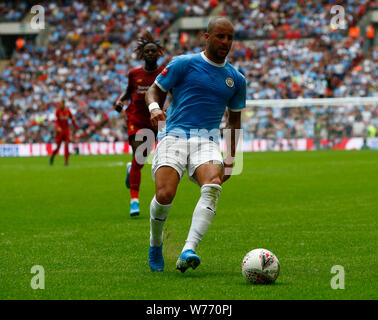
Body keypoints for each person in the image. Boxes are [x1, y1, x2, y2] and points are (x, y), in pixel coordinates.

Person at [145, 17, 246, 272]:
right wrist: (155, 108)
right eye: (220, 36)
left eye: (230, 38)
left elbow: (234, 122)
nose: (225, 42)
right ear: (207, 36)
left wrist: (232, 158)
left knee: (213, 185)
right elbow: (153, 91)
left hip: (207, 140)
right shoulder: (184, 64)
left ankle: (188, 249)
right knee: (165, 194)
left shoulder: (236, 79)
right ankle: (155, 243)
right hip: (173, 135)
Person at [114, 32, 166, 217]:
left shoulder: (164, 73)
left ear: (158, 53)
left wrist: (166, 108)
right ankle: (134, 201)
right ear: (142, 55)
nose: (150, 54)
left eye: (153, 51)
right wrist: (120, 101)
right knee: (139, 155)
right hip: (136, 119)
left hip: (156, 120)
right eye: (147, 51)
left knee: (150, 159)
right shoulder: (134, 74)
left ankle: (132, 167)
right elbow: (128, 91)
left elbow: (172, 93)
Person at [50, 101, 79, 166]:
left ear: (63, 105)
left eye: (59, 105)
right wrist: (58, 127)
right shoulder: (57, 111)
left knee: (67, 145)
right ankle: (52, 157)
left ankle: (66, 162)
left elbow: (72, 119)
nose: (58, 107)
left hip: (66, 130)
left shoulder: (68, 111)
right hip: (59, 131)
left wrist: (76, 126)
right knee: (58, 147)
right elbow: (56, 121)